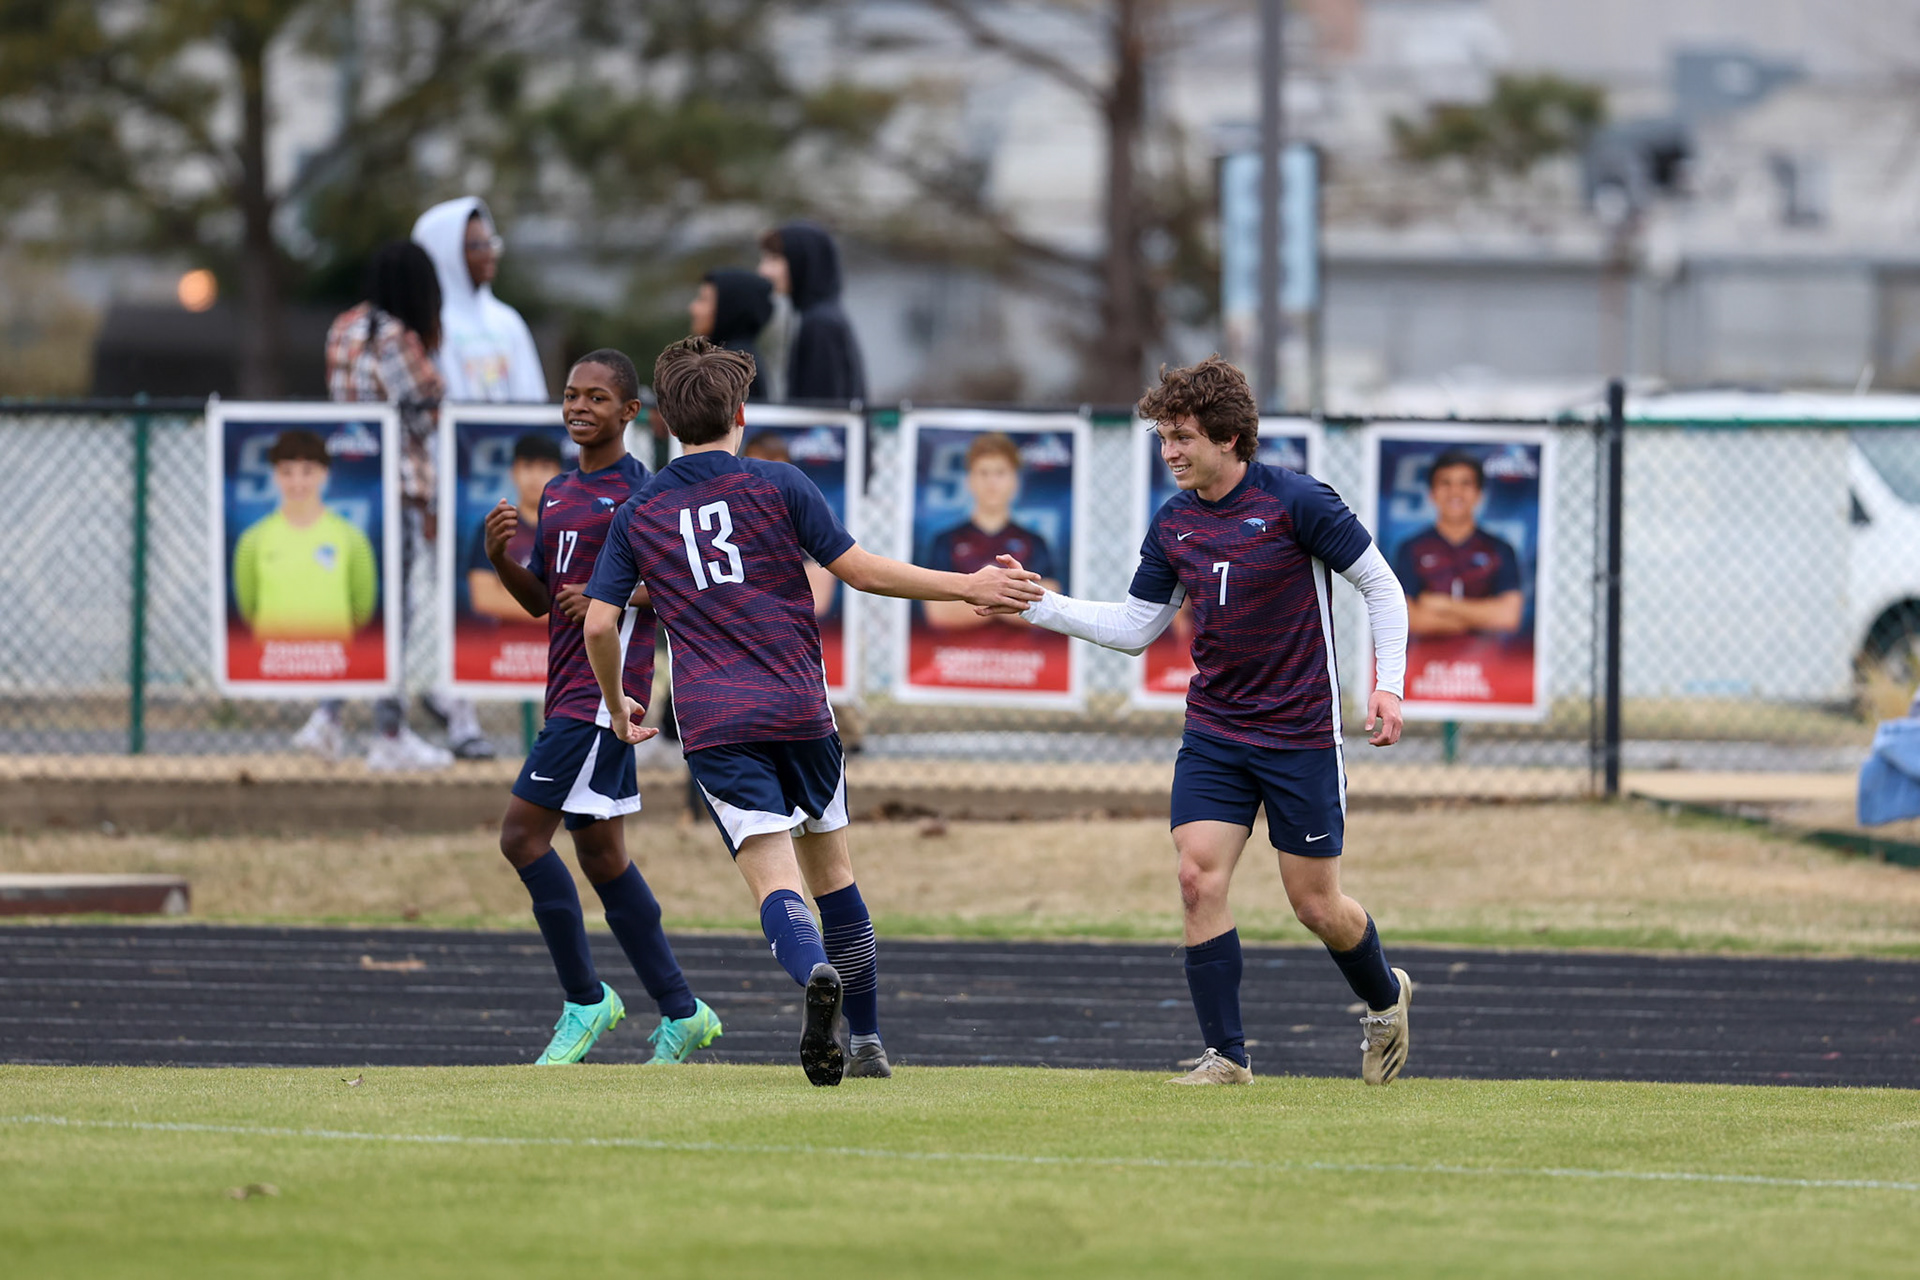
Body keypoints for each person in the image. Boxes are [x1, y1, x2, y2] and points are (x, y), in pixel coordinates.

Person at [582, 337, 1041, 1085]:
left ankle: (814, 971)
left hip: (717, 722)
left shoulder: (640, 512)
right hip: (801, 708)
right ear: (740, 413)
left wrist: (616, 705)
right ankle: (866, 1041)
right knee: (836, 874)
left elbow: (599, 623)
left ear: (662, 420)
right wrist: (968, 586)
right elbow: (859, 571)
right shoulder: (781, 483)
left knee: (776, 883)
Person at [994, 356, 1416, 1086]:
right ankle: (1228, 1058)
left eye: (1182, 436)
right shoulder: (1175, 522)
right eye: (1163, 439)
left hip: (1300, 736)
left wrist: (1389, 687)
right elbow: (1134, 627)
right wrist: (1036, 603)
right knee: (1196, 878)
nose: (1171, 452)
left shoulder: (1297, 502)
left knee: (1316, 906)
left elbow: (1381, 586)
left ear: (1228, 437)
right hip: (1217, 732)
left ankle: (1385, 997)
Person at [481, 348, 721, 1066]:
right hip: (566, 688)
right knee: (603, 854)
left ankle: (586, 999)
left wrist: (620, 597)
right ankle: (683, 1011)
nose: (579, 407)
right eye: (570, 395)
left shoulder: (648, 494)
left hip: (603, 697)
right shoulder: (555, 494)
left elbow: (685, 584)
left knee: (522, 838)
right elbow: (545, 605)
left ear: (629, 413)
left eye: (595, 397)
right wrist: (502, 563)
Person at [308, 241, 469, 769]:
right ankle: (388, 732)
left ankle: (327, 718)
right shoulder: (398, 338)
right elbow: (427, 412)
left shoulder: (342, 328)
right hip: (398, 485)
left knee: (356, 605)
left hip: (351, 483)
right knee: (393, 609)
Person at [233, 430, 377, 643]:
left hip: (333, 662)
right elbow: (248, 607)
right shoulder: (252, 539)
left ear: (324, 473)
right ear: (275, 475)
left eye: (307, 471)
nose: (297, 482)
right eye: (287, 472)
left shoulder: (351, 538)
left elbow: (362, 608)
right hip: (272, 662)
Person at [921, 432, 1061, 632]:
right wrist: (1012, 601)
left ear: (1015, 481)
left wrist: (972, 597)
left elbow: (1048, 607)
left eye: (1000, 473)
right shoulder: (945, 541)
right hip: (954, 660)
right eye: (984, 473)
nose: (991, 482)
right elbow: (938, 612)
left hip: (1025, 661)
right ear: (970, 480)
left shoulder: (1035, 542)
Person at [411, 196, 548, 402]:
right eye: (476, 246)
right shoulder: (429, 325)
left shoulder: (508, 321)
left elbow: (533, 397)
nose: (489, 254)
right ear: (445, 252)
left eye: (490, 243)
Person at [1392, 448, 1525, 637]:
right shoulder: (1411, 548)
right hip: (1424, 663)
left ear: (1479, 494)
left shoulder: (1500, 549)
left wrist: (1442, 605)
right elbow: (1407, 618)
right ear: (1432, 493)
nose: (1455, 492)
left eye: (1465, 483)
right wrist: (1481, 616)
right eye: (1446, 483)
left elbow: (1508, 616)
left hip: (1489, 662)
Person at [757, 222, 866, 404]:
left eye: (774, 259)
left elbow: (820, 414)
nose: (763, 270)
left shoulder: (821, 324)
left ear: (804, 261)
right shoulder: (821, 317)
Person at [467, 433, 564, 623]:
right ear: (514, 472)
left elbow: (585, 596)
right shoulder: (496, 526)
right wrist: (555, 611)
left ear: (559, 474)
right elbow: (484, 598)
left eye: (545, 467)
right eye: (527, 466)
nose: (535, 477)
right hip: (505, 649)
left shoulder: (573, 529)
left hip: (562, 647)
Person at [689, 269, 775, 402]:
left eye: (703, 300)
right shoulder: (740, 357)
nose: (693, 308)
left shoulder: (733, 366)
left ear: (727, 308)